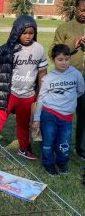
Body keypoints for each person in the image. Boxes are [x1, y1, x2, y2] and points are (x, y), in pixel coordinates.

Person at [0, 15, 48, 160]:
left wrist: (40, 93)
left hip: (28, 95)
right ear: (16, 31)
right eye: (24, 33)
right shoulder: (8, 49)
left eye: (31, 33)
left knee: (24, 125)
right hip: (9, 93)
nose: (28, 36)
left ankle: (23, 149)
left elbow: (42, 72)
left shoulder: (39, 49)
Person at [32, 44, 84, 176]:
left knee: (64, 142)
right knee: (48, 141)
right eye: (60, 59)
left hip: (66, 117)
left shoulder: (76, 74)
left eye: (67, 59)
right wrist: (37, 118)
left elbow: (80, 91)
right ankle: (48, 164)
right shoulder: (48, 78)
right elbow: (41, 98)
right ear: (53, 60)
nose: (64, 62)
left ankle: (62, 163)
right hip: (49, 114)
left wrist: (68, 101)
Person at [49, 0, 85, 161]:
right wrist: (72, 44)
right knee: (61, 116)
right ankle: (57, 146)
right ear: (75, 8)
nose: (84, 14)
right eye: (82, 10)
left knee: (84, 116)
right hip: (66, 81)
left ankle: (81, 149)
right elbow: (52, 52)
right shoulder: (64, 28)